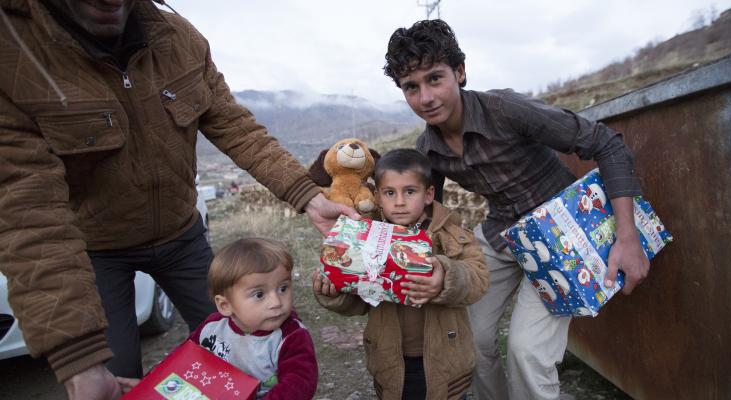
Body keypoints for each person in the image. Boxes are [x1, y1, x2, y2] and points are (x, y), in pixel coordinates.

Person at [0, 1, 354, 399]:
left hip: (182, 236)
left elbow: (237, 128)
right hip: (97, 251)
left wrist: (306, 194)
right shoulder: (13, 56)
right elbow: (26, 211)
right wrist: (78, 357)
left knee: (242, 340)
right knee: (114, 378)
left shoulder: (178, 39)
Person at [382, 20, 651, 400]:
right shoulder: (428, 150)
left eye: (435, 78)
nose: (426, 97)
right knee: (465, 336)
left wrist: (628, 237)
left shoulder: (505, 110)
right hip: (502, 234)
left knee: (526, 351)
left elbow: (607, 144)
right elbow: (426, 215)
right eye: (412, 87)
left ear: (460, 72)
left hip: (561, 233)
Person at [313, 148, 489, 400]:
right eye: (389, 193)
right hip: (390, 362)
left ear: (428, 194)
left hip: (446, 361)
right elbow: (359, 301)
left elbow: (479, 278)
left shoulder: (449, 234)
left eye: (409, 191)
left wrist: (445, 277)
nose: (399, 202)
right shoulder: (366, 239)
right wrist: (333, 290)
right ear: (377, 196)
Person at [119, 238, 318, 399]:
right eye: (259, 295)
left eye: (283, 288)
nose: (276, 302)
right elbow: (180, 362)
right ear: (225, 305)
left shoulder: (291, 336)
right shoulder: (212, 327)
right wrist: (151, 385)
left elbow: (300, 383)